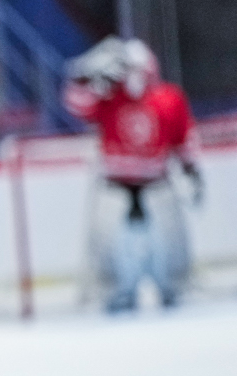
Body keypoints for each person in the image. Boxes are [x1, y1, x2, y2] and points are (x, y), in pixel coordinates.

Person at [63, 36, 204, 311]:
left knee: (171, 239)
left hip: (157, 182)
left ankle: (175, 285)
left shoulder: (168, 98)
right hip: (114, 184)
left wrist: (191, 171)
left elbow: (183, 138)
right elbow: (76, 105)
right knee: (106, 241)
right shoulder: (108, 97)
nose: (136, 77)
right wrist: (84, 74)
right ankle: (112, 290)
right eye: (130, 70)